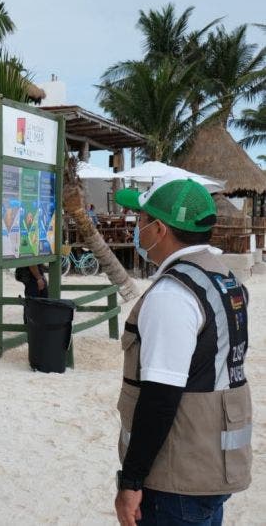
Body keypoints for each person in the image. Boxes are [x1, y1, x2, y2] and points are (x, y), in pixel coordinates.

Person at [111, 176, 251, 526]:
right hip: (210, 464)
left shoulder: (172, 294)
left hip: (178, 477)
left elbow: (161, 396)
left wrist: (131, 481)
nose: (136, 228)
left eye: (140, 221)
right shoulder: (222, 276)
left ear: (159, 229)